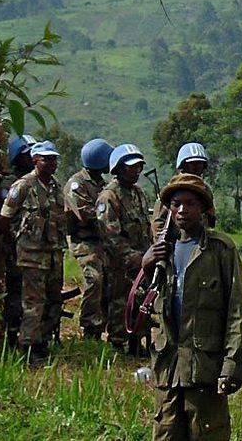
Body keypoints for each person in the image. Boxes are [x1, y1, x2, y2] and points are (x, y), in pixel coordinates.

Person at [140, 173, 242, 441]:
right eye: (176, 204)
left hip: (205, 371)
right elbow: (144, 309)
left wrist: (231, 366)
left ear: (203, 209)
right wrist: (146, 264)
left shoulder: (220, 250)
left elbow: (235, 312)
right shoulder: (162, 252)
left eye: (190, 203)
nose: (182, 210)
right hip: (168, 371)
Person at [0, 140, 64, 366]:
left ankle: (44, 341)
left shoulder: (55, 186)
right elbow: (5, 218)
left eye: (54, 159)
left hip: (53, 252)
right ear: (35, 160)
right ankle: (29, 347)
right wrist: (18, 241)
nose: (52, 163)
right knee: (33, 302)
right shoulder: (23, 186)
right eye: (47, 159)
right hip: (31, 254)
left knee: (53, 300)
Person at [97, 143, 151, 355]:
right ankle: (117, 344)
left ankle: (138, 342)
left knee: (142, 301)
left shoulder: (138, 193)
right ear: (118, 168)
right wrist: (133, 257)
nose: (136, 170)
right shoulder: (108, 197)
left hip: (141, 262)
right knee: (120, 303)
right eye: (131, 167)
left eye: (139, 166)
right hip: (119, 264)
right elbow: (110, 235)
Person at [63, 138, 114, 340]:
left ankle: (103, 326)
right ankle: (89, 327)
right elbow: (83, 215)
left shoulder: (103, 184)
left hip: (102, 242)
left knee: (109, 283)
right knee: (95, 280)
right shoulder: (77, 184)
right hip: (84, 242)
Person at [0, 134, 37, 345]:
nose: (32, 158)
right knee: (16, 292)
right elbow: (5, 219)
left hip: (34, 249)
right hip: (16, 247)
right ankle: (12, 336)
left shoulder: (37, 183)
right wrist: (14, 243)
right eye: (27, 154)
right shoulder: (11, 184)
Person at [150, 142, 216, 241]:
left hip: (201, 241)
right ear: (184, 165)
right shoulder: (172, 189)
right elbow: (158, 222)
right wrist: (161, 244)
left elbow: (210, 219)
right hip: (177, 242)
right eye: (193, 164)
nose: (197, 167)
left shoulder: (205, 189)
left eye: (200, 163)